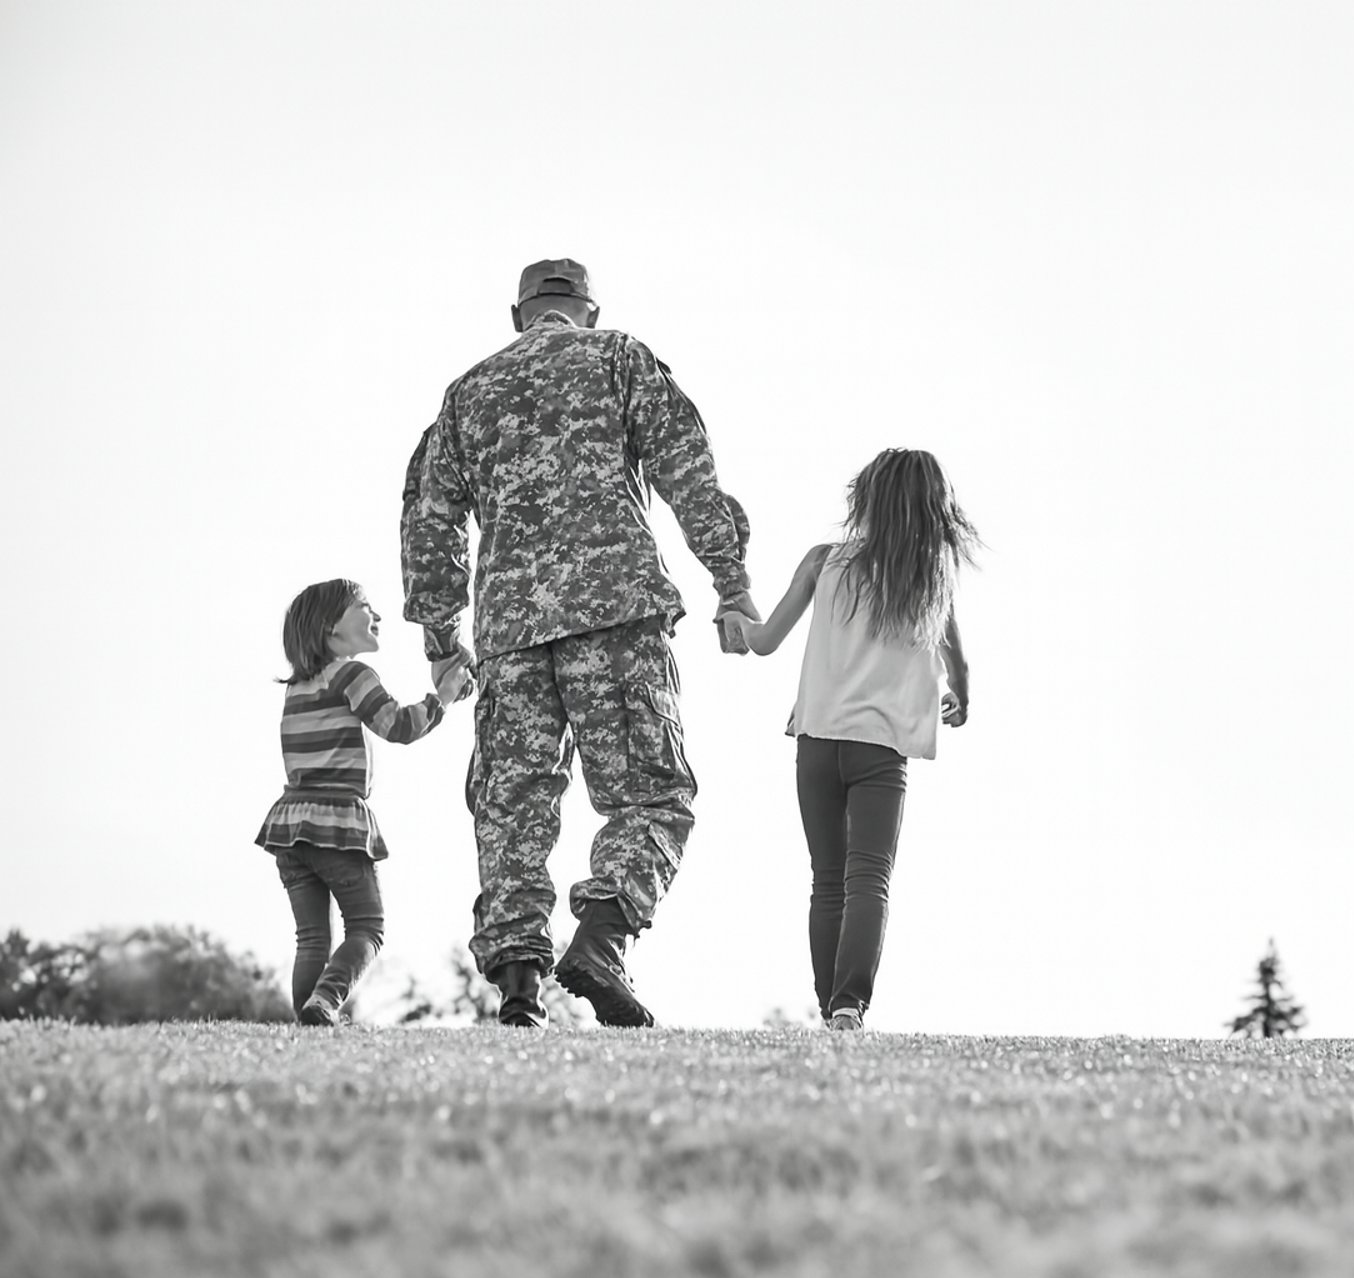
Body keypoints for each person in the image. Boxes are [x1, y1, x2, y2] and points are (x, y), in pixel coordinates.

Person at [401, 257, 757, 1029]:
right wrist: (731, 583)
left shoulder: (468, 393)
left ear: (518, 315)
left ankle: (520, 986)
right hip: (616, 615)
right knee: (653, 796)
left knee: (512, 807)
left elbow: (428, 520)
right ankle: (601, 941)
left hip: (509, 632)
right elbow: (690, 474)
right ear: (589, 312)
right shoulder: (619, 357)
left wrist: (441, 640)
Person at [720, 448, 977, 1030]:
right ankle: (846, 1007)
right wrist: (960, 697)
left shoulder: (822, 561)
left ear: (866, 498)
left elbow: (760, 642)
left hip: (814, 742)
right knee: (868, 877)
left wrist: (736, 616)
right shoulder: (928, 575)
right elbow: (955, 657)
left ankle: (828, 1004)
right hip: (879, 750)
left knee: (827, 879)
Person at [255, 579, 472, 1026]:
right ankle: (326, 1002)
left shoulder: (297, 688)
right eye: (365, 606)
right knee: (367, 927)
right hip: (335, 823)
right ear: (331, 627)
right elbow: (399, 726)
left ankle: (308, 1023)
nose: (377, 616)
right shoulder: (351, 675)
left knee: (311, 937)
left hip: (290, 824)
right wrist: (444, 697)